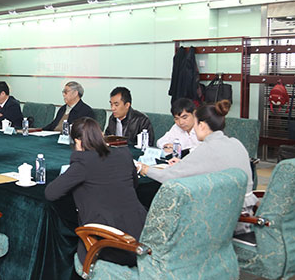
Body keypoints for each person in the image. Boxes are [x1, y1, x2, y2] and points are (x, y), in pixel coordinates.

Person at [138, 100, 256, 232]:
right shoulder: (236, 143)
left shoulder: (207, 148)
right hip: (244, 214)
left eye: (195, 124)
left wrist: (144, 168)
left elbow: (168, 176)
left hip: (221, 219)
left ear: (202, 125)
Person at [45, 117, 147, 267]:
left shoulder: (83, 163)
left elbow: (51, 193)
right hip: (142, 237)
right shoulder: (124, 154)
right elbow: (134, 184)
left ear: (78, 141)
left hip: (109, 244)